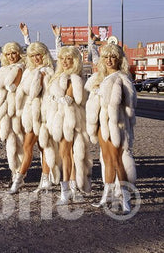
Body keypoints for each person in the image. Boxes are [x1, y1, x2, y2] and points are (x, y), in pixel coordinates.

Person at [85, 42, 136, 213]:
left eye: (113, 56)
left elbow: (131, 104)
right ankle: (106, 196)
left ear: (119, 59)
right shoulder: (99, 77)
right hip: (101, 124)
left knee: (117, 160)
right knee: (106, 160)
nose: (109, 60)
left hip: (117, 124)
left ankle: (124, 197)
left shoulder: (122, 77)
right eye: (106, 57)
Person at [43, 45, 92, 204]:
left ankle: (67, 190)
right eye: (62, 58)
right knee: (67, 154)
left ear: (75, 60)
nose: (65, 61)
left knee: (66, 154)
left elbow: (69, 100)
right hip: (59, 121)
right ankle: (71, 189)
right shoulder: (59, 76)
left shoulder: (74, 78)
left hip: (69, 121)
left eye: (69, 58)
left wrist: (53, 97)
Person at [10, 40, 56, 193]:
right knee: (36, 146)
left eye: (39, 55)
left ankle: (20, 178)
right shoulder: (30, 70)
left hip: (43, 114)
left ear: (44, 55)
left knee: (37, 146)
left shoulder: (47, 71)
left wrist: (39, 78)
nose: (36, 58)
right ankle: (44, 179)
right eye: (33, 55)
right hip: (30, 113)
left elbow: (36, 92)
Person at [0, 21, 27, 189]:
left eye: (14, 53)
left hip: (15, 110)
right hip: (1, 109)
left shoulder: (20, 68)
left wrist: (26, 35)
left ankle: (17, 174)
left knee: (16, 142)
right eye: (9, 53)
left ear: (19, 53)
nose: (11, 56)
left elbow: (13, 87)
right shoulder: (4, 68)